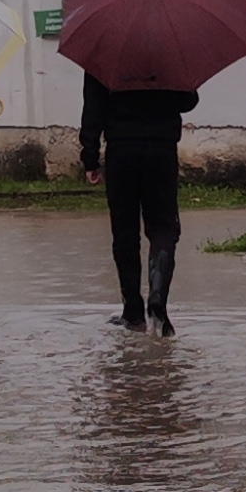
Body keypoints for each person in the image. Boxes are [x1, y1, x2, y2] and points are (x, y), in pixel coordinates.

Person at [79, 73, 199, 334]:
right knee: (164, 228)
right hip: (162, 149)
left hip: (121, 150)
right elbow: (188, 101)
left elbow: (93, 106)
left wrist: (89, 156)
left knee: (124, 233)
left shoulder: (103, 52)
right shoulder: (170, 49)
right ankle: (158, 299)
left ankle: (133, 312)